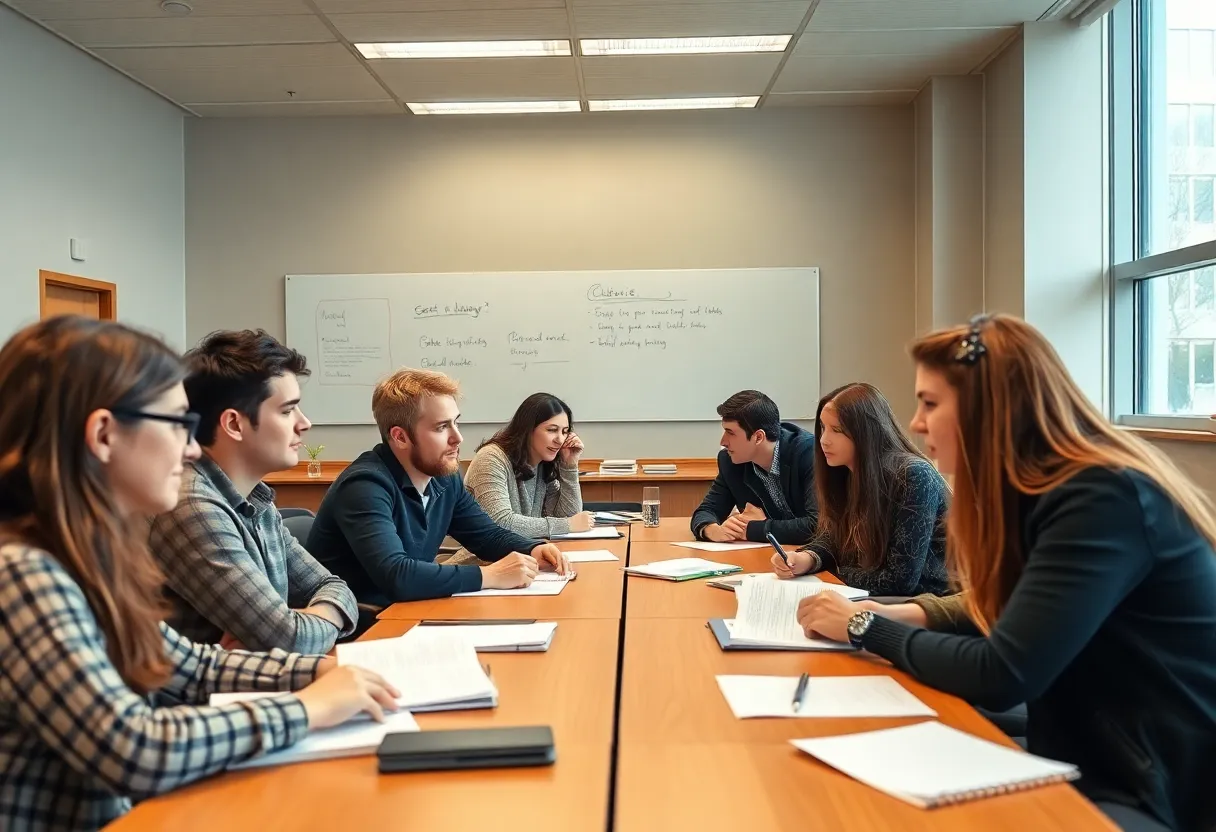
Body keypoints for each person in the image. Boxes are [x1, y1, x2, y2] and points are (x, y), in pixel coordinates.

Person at [795, 314, 1216, 832]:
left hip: (1152, 782)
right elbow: (1005, 607)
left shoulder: (1100, 497)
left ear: (987, 406)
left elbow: (1002, 673)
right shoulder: (1035, 492)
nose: (916, 422)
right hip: (1082, 738)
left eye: (929, 402)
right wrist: (899, 612)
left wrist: (865, 627)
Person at [0, 317, 399, 832]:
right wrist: (305, 709)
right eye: (175, 425)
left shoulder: (87, 557)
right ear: (103, 434)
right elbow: (134, 746)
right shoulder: (25, 571)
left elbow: (191, 667)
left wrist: (315, 673)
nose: (191, 449)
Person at [148, 330, 357, 653]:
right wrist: (309, 621)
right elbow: (289, 639)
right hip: (217, 698)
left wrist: (307, 618)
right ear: (234, 424)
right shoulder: (193, 506)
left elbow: (332, 587)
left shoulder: (255, 498)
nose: (305, 423)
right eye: (287, 411)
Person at [308, 368, 571, 605]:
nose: (457, 437)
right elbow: (397, 575)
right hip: (363, 627)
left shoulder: (444, 477)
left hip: (412, 610)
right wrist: (489, 575)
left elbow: (486, 535)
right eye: (442, 427)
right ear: (400, 437)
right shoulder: (364, 486)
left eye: (456, 422)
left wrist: (532, 548)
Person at [771, 382, 949, 596]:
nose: (824, 440)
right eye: (822, 427)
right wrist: (808, 558)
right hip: (878, 596)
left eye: (836, 430)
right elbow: (836, 537)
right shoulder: (845, 472)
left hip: (929, 604)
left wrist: (832, 571)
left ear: (867, 433)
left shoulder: (913, 476)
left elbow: (899, 582)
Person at [690, 390, 817, 544]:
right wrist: (713, 530)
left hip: (815, 559)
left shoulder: (808, 454)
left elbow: (816, 526)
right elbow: (706, 511)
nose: (723, 442)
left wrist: (753, 529)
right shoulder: (730, 462)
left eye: (730, 433)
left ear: (758, 437)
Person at [464, 392, 594, 539]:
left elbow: (568, 516)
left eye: (565, 432)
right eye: (552, 430)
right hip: (485, 560)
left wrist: (569, 465)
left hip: (526, 554)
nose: (560, 440)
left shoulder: (542, 464)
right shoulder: (490, 458)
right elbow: (500, 523)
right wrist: (567, 524)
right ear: (528, 429)